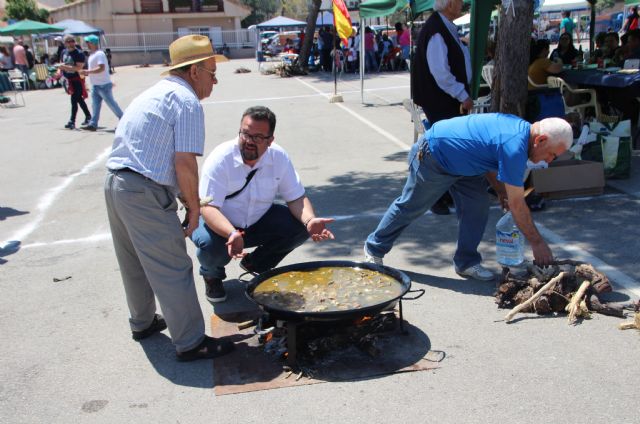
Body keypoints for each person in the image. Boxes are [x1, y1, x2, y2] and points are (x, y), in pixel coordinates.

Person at [104, 34, 235, 361]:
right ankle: (191, 342)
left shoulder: (155, 94)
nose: (214, 80)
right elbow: (184, 163)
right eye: (211, 72)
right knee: (172, 266)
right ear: (194, 72)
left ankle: (143, 321)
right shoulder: (186, 100)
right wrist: (194, 208)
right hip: (144, 191)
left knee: (133, 261)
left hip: (117, 184)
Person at [363, 114, 573, 280]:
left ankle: (466, 262)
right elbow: (518, 204)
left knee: (478, 206)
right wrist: (537, 243)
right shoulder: (514, 146)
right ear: (541, 140)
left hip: (466, 165)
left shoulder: (521, 134)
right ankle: (374, 249)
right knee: (411, 206)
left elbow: (489, 159)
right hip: (435, 156)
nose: (549, 160)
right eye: (552, 154)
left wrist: (500, 191)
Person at [191, 106, 335, 303]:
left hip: (257, 219)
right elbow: (207, 207)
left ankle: (255, 263)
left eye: (258, 137)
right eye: (246, 134)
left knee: (300, 226)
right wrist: (231, 233)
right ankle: (212, 276)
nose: (250, 141)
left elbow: (296, 198)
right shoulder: (220, 158)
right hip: (219, 222)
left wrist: (309, 220)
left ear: (270, 140)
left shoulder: (279, 157)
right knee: (209, 246)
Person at [411, 0, 472, 216]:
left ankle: (443, 195)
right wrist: (462, 95)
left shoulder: (443, 26)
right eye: (457, 0)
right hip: (441, 100)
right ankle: (436, 197)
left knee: (447, 150)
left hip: (444, 100)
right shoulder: (436, 30)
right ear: (448, 4)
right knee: (444, 151)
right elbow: (441, 73)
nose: (461, 3)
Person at [80, 35, 124, 132]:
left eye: (88, 42)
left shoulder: (99, 54)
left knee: (111, 104)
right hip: (96, 85)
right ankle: (93, 124)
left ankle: (123, 119)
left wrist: (88, 72)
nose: (87, 44)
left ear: (93, 43)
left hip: (103, 85)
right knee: (95, 105)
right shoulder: (92, 54)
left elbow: (101, 68)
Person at [56, 35, 91, 130]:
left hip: (78, 79)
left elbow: (79, 67)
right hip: (69, 80)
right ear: (65, 43)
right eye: (68, 41)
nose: (70, 43)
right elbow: (61, 62)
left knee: (74, 100)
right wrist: (59, 71)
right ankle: (88, 116)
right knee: (79, 99)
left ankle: (72, 121)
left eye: (72, 41)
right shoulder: (64, 52)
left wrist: (64, 67)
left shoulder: (79, 53)